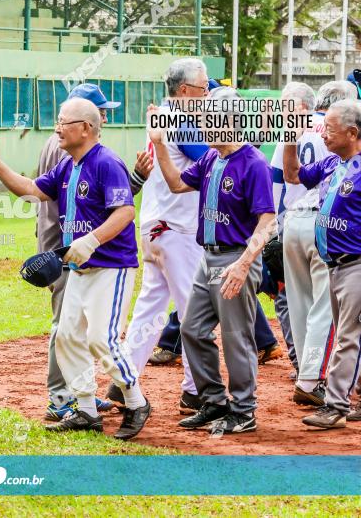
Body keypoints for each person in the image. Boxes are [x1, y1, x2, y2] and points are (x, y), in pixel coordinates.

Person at [0, 97, 150, 440]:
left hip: (111, 267)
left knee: (102, 339)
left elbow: (125, 212)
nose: (57, 128)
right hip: (80, 270)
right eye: (57, 120)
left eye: (64, 122)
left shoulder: (106, 162)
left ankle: (136, 402)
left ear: (86, 128)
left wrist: (90, 241)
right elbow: (30, 190)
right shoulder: (68, 165)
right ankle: (86, 409)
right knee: (68, 336)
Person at [151, 87, 276, 435]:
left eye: (210, 120)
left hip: (235, 257)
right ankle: (213, 400)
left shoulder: (253, 164)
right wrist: (160, 144)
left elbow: (267, 220)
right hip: (207, 257)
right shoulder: (210, 158)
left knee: (237, 338)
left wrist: (244, 263)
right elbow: (176, 184)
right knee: (191, 329)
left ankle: (244, 410)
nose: (203, 126)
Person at [37, 83, 146, 421]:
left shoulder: (97, 157)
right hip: (69, 255)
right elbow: (104, 204)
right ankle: (68, 400)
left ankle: (115, 402)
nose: (104, 116)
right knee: (68, 332)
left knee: (88, 334)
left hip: (93, 258)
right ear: (83, 121)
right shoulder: (67, 149)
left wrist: (136, 181)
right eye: (101, 111)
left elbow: (117, 204)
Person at [117, 58, 210, 415]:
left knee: (151, 309)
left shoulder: (163, 115)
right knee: (194, 311)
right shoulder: (179, 119)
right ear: (184, 91)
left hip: (157, 224)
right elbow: (210, 156)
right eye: (203, 89)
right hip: (177, 228)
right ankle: (194, 390)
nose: (207, 95)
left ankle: (123, 378)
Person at [274, 81, 358, 407]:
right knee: (324, 308)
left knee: (300, 303)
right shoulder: (338, 133)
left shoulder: (298, 124)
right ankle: (311, 378)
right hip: (322, 224)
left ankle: (305, 370)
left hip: (292, 221)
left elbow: (282, 178)